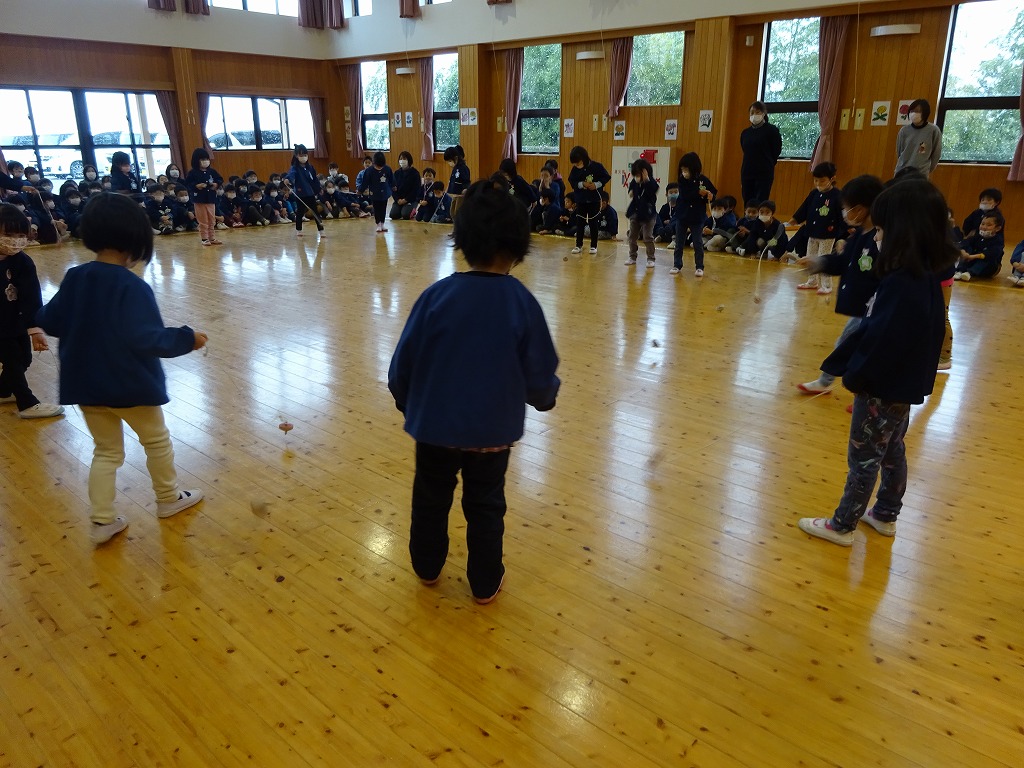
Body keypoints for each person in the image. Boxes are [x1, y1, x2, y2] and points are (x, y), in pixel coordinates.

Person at [387, 180, 560, 603]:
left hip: (434, 430)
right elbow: (540, 371)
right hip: (492, 434)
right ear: (518, 248)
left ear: (462, 240)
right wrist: (545, 397)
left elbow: (401, 367)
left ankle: (427, 567)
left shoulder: (436, 297)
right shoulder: (521, 302)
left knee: (430, 498)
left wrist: (412, 406)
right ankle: (484, 583)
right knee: (485, 504)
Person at [34, 193, 207, 545]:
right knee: (156, 441)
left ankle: (102, 520)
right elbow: (149, 338)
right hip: (130, 384)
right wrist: (188, 338)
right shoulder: (132, 286)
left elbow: (49, 320)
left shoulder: (75, 277)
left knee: (106, 451)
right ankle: (168, 498)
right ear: (135, 239)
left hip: (86, 385)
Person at [798, 177, 958, 546]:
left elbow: (881, 338)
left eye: (883, 229)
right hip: (902, 385)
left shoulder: (903, 283)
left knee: (864, 457)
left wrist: (856, 377)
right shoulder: (922, 275)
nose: (878, 236)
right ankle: (885, 513)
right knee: (892, 448)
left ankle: (843, 525)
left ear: (904, 231)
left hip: (882, 386)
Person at [796, 175, 885, 395]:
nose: (844, 213)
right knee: (849, 343)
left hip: (874, 309)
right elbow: (844, 262)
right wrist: (819, 262)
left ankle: (857, 393)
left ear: (861, 209)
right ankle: (833, 384)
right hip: (863, 308)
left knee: (851, 344)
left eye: (846, 208)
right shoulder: (860, 235)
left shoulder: (880, 239)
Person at [0, 205, 65, 420]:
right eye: (9, 234)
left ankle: (3, 390)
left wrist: (34, 328)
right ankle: (26, 403)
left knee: (24, 359)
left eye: (21, 236)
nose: (15, 241)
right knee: (12, 361)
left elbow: (30, 296)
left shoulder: (23, 261)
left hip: (15, 320)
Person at [789, 162, 846, 294]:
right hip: (812, 232)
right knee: (811, 257)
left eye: (822, 180)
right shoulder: (813, 193)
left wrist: (846, 228)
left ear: (832, 179)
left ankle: (826, 285)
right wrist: (796, 218)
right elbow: (804, 208)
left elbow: (842, 214)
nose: (818, 183)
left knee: (823, 259)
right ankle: (812, 281)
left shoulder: (837, 195)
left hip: (827, 234)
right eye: (816, 180)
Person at [673, 152, 716, 277]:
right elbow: (685, 195)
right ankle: (677, 265)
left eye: (686, 169)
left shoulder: (703, 180)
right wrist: (698, 192)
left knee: (697, 243)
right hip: (682, 215)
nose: (684, 172)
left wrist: (710, 196)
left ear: (693, 168)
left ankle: (699, 267)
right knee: (679, 242)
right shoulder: (682, 180)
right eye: (682, 169)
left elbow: (713, 192)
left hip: (697, 217)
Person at [566, 145, 611, 255]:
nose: (576, 165)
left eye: (578, 163)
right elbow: (572, 181)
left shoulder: (596, 166)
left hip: (594, 200)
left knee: (593, 223)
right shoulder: (575, 170)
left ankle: (593, 246)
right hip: (581, 200)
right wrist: (582, 184)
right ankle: (578, 245)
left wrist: (596, 184)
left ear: (583, 159)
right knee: (580, 223)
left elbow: (606, 177)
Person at [739, 101, 782, 206]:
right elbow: (745, 150)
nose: (754, 115)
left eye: (757, 112)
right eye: (752, 112)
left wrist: (768, 163)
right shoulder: (745, 133)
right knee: (747, 201)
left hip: (764, 173)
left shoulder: (772, 130)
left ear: (763, 113)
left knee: (761, 201)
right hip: (747, 171)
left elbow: (776, 150)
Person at [184, 147, 223, 247]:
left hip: (211, 199)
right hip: (199, 200)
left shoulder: (212, 171)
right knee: (203, 220)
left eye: (206, 159)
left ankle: (212, 237)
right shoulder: (193, 173)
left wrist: (216, 184)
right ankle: (204, 238)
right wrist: (196, 186)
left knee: (211, 219)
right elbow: (188, 184)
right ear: (196, 160)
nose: (205, 161)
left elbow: (219, 179)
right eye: (202, 159)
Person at [624, 158, 659, 268]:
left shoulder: (651, 182)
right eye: (635, 175)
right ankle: (632, 256)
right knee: (632, 236)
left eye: (639, 174)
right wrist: (631, 192)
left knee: (647, 237)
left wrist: (647, 180)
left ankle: (651, 258)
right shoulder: (634, 182)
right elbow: (631, 191)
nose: (637, 177)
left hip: (648, 214)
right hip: (635, 213)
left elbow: (653, 190)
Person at [895, 99, 942, 178]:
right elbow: (899, 151)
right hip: (902, 171)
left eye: (917, 111)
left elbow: (936, 154)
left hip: (921, 173)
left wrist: (927, 169)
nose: (914, 113)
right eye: (912, 111)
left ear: (925, 113)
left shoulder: (933, 130)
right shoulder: (904, 130)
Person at [285, 144, 325, 237]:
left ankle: (321, 230)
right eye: (301, 155)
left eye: (305, 155)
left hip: (310, 193)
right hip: (300, 194)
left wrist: (318, 189)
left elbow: (315, 179)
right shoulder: (295, 168)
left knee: (315, 211)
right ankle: (299, 229)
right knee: (300, 212)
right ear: (296, 156)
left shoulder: (310, 167)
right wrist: (288, 179)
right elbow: (291, 174)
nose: (303, 157)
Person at [954, 209, 1004, 281]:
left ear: (998, 228)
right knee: (967, 249)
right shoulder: (977, 236)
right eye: (982, 224)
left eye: (989, 225)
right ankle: (960, 271)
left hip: (989, 267)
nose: (984, 227)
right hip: (973, 260)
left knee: (987, 259)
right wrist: (963, 251)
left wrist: (974, 256)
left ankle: (970, 273)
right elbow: (965, 242)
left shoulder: (998, 240)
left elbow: (992, 253)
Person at [360, 151, 396, 233]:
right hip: (374, 193)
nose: (379, 168)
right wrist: (360, 190)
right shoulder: (369, 171)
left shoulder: (387, 169)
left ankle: (382, 223)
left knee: (383, 208)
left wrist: (394, 186)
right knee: (376, 209)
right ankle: (378, 224)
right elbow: (365, 182)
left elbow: (392, 179)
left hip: (385, 193)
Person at [391, 151, 421, 221]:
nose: (402, 160)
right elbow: (393, 188)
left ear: (409, 160)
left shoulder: (415, 173)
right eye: (400, 159)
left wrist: (406, 200)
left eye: (404, 158)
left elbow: (416, 190)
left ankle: (413, 210)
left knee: (405, 215)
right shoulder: (396, 173)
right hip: (399, 199)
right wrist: (397, 199)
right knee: (393, 215)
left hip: (411, 199)